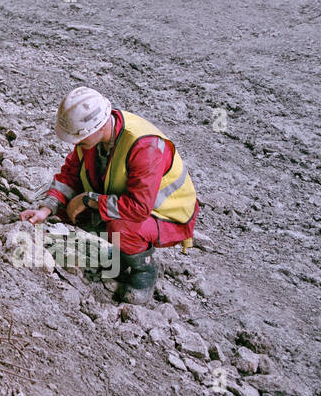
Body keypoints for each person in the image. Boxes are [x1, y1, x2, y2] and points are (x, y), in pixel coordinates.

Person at [21, 86, 198, 305]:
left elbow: (139, 208)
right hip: (125, 200)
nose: (77, 145)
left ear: (98, 126)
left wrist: (90, 200)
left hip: (165, 214)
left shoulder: (145, 146)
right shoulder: (93, 138)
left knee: (121, 227)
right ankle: (118, 254)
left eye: (81, 139)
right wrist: (45, 209)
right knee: (69, 209)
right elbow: (70, 174)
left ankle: (144, 268)